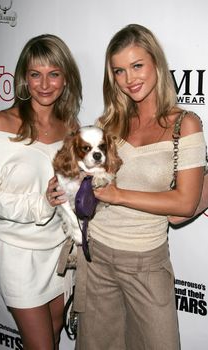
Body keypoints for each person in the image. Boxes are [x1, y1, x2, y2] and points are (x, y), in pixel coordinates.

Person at [75, 24, 207, 350]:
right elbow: (92, 180)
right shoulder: (109, 122)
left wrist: (119, 195)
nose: (129, 78)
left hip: (146, 262)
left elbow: (184, 205)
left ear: (156, 64)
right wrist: (67, 184)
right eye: (119, 71)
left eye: (137, 66)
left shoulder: (184, 124)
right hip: (98, 256)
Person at [0, 33, 82, 350]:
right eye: (36, 74)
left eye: (54, 74)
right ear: (24, 77)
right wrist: (41, 202)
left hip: (61, 253)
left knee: (54, 334)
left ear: (66, 79)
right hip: (20, 254)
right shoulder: (1, 123)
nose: (45, 84)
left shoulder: (72, 127)